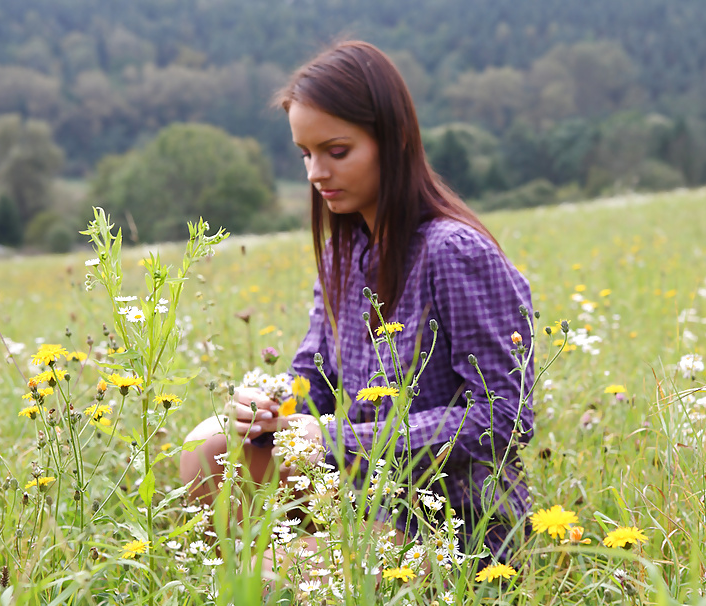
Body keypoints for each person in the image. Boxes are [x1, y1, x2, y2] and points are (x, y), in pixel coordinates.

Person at [180, 40, 534, 561]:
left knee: (268, 588)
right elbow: (314, 375)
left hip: (457, 522)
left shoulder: (453, 251)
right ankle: (277, 564)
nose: (315, 173)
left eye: (336, 151)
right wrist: (269, 405)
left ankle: (298, 571)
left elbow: (506, 417)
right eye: (305, 154)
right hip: (374, 497)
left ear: (392, 142)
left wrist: (334, 438)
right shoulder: (347, 251)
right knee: (209, 447)